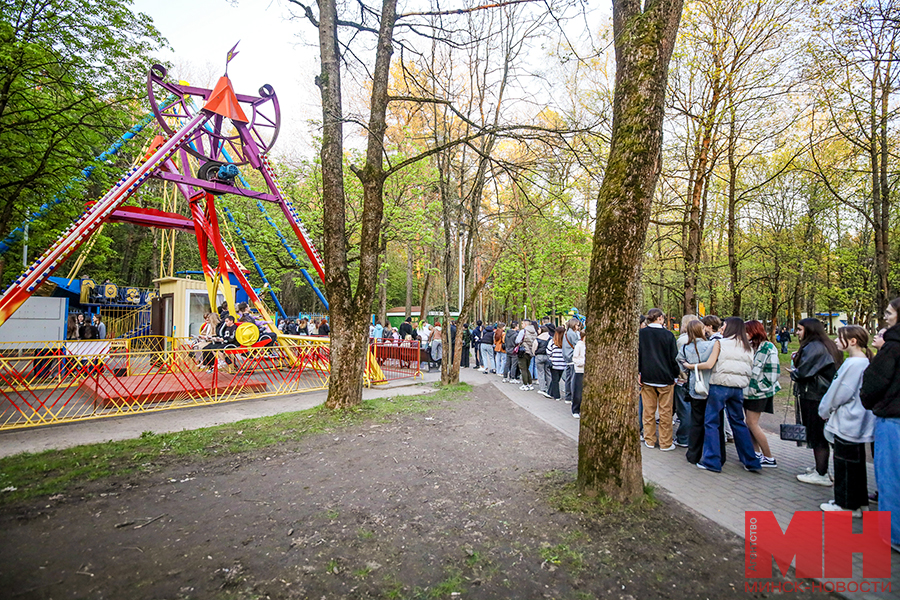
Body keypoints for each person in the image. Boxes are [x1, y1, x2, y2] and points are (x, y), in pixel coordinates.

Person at [683, 317, 762, 472]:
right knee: (738, 423)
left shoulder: (720, 343)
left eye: (724, 325)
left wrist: (691, 366)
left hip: (719, 386)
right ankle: (750, 460)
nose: (722, 327)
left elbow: (709, 364)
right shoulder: (747, 347)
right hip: (737, 389)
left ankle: (712, 461)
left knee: (711, 422)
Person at [818, 325, 876, 517]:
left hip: (848, 421)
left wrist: (824, 409)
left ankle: (845, 504)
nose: (835, 340)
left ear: (852, 341)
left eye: (839, 337)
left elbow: (839, 392)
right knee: (856, 466)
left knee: (844, 464)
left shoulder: (853, 364)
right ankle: (859, 503)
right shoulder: (864, 362)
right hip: (858, 421)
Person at [860, 297, 900, 549]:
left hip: (893, 419)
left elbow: (875, 382)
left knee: (891, 479)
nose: (886, 317)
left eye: (889, 312)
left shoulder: (893, 347)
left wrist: (870, 400)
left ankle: (893, 535)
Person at [792, 318, 842, 486]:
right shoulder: (826, 345)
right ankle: (821, 469)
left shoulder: (814, 347)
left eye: (800, 329)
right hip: (821, 395)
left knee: (817, 435)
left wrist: (794, 370)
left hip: (814, 395)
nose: (797, 332)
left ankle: (821, 473)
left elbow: (804, 372)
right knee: (819, 434)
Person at [678, 320, 721, 465]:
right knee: (715, 422)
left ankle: (693, 454)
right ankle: (717, 453)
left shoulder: (684, 348)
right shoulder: (712, 345)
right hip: (712, 386)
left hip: (695, 388)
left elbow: (682, 366)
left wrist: (689, 367)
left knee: (696, 421)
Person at [639, 308, 680, 451]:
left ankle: (649, 440)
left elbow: (638, 355)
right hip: (665, 377)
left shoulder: (641, 334)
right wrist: (676, 374)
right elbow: (674, 358)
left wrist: (639, 372)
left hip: (647, 376)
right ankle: (665, 442)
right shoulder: (668, 336)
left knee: (648, 411)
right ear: (661, 318)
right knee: (665, 413)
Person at [744, 320, 780, 468]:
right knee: (749, 424)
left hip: (759, 393)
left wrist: (756, 389)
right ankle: (756, 452)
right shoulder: (751, 347)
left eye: (746, 331)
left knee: (752, 423)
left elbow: (772, 375)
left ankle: (769, 456)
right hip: (747, 392)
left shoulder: (768, 348)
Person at [674, 314, 700, 448]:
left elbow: (678, 360)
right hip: (697, 378)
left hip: (683, 379)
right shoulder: (702, 340)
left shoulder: (682, 341)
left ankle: (684, 437)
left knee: (684, 410)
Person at [562, 318, 581, 404]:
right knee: (573, 379)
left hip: (567, 357)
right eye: (577, 325)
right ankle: (572, 397)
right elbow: (577, 344)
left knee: (568, 378)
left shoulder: (566, 333)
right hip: (572, 357)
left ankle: (568, 396)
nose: (578, 327)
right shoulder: (572, 334)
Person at [516, 320, 537, 391]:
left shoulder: (523, 331)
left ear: (525, 324)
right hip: (531, 351)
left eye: (522, 323)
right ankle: (530, 383)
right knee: (527, 368)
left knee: (523, 368)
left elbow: (517, 341)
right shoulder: (534, 332)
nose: (521, 325)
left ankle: (525, 384)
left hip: (523, 351)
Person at [533, 324, 552, 398]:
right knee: (548, 372)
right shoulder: (550, 338)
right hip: (548, 356)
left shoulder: (537, 339)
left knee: (540, 373)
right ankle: (550, 387)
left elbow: (534, 348)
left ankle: (542, 388)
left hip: (539, 356)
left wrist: (535, 354)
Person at [547, 326, 567, 400]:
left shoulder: (552, 341)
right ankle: (550, 392)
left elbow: (548, 351)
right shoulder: (565, 342)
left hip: (554, 363)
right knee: (557, 379)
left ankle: (556, 395)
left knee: (555, 380)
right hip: (563, 364)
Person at [571, 330, 585, 418]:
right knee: (578, 391)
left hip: (586, 371)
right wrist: (582, 362)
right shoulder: (579, 345)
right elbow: (575, 358)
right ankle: (575, 409)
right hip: (580, 370)